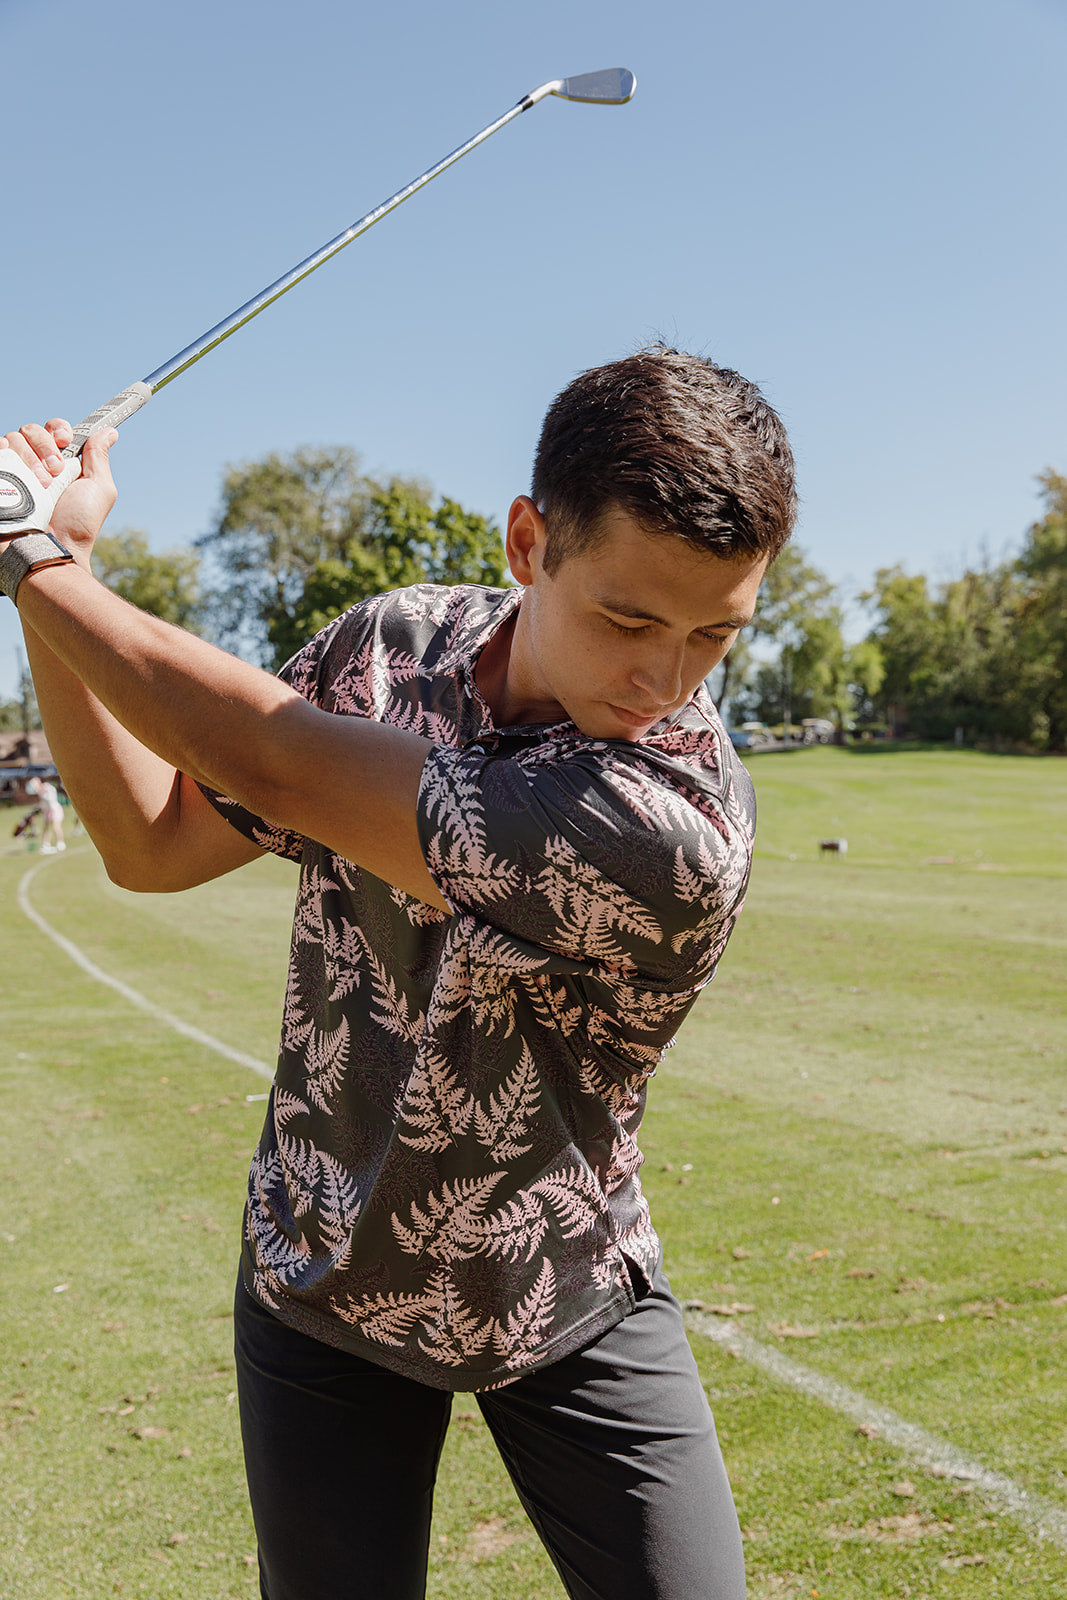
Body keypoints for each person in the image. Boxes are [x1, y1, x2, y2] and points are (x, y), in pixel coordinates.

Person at [1, 346, 796, 1600]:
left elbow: (278, 764)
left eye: (715, 634)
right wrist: (57, 572)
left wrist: (28, 558)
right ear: (529, 541)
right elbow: (150, 845)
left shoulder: (670, 822)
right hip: (318, 1267)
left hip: (557, 1285)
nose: (663, 678)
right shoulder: (389, 644)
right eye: (630, 619)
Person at [24, 775, 66, 852]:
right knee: (46, 828)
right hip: (47, 811)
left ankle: (60, 843)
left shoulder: (46, 788)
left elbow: (50, 800)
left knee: (56, 827)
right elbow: (43, 803)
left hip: (55, 810)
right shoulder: (40, 792)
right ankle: (46, 845)